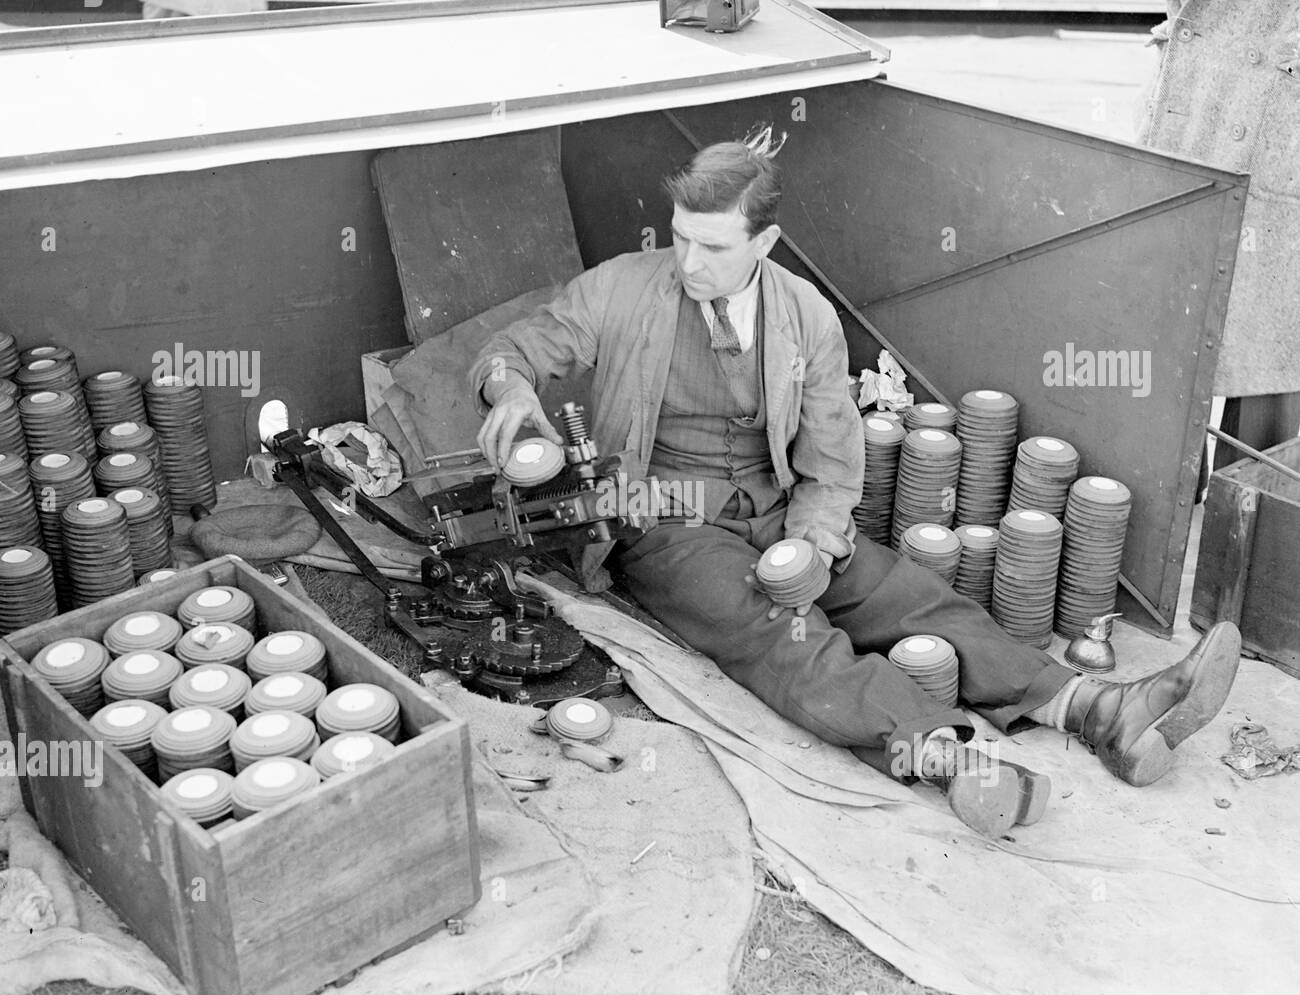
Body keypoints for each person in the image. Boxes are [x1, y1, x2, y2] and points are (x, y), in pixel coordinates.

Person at [468, 133, 1241, 838]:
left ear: (765, 242)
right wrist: (509, 388)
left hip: (778, 508)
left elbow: (835, 457)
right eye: (677, 237)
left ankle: (1097, 708)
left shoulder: (805, 314)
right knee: (780, 633)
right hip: (664, 520)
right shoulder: (621, 289)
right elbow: (520, 348)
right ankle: (946, 755)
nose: (687, 261)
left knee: (908, 595)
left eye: (710, 245)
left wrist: (813, 534)